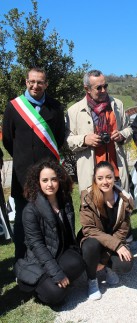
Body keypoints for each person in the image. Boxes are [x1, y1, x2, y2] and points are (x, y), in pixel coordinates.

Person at [3, 67, 65, 260]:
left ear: (46, 84)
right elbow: (7, 140)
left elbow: (60, 138)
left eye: (40, 82)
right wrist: (24, 157)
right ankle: (22, 263)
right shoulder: (13, 107)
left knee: (51, 217)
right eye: (32, 82)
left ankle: (54, 258)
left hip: (49, 176)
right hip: (23, 176)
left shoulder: (55, 107)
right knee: (23, 220)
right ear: (26, 82)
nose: (35, 86)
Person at [14, 160, 85, 305]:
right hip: (40, 260)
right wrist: (57, 274)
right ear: (37, 182)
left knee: (78, 262)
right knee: (56, 295)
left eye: (53, 179)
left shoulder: (65, 201)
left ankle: (55, 282)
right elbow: (37, 245)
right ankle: (40, 285)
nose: (50, 184)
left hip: (60, 254)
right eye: (45, 180)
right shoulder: (30, 210)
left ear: (59, 180)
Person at [66, 69, 132, 193]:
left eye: (105, 86)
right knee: (92, 212)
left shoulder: (117, 105)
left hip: (116, 173)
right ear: (87, 89)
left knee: (120, 211)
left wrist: (122, 135)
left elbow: (129, 129)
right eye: (99, 88)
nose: (104, 91)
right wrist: (84, 139)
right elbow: (68, 140)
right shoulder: (74, 111)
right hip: (91, 177)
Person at [79, 161, 134, 301]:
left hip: (113, 240)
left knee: (126, 264)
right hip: (93, 239)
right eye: (100, 178)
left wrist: (103, 260)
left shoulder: (124, 199)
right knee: (91, 245)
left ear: (114, 178)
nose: (105, 182)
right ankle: (92, 280)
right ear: (95, 180)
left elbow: (122, 231)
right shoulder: (87, 197)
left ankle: (108, 268)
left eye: (109, 177)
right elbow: (90, 229)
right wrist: (117, 246)